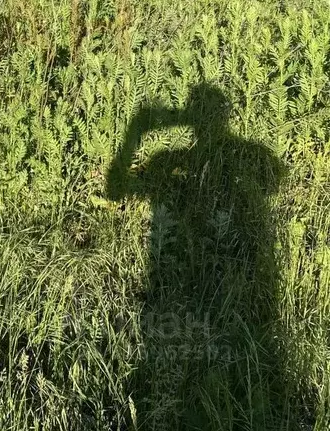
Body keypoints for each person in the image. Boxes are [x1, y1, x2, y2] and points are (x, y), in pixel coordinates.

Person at [106, 84, 303, 429]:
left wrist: (142, 127)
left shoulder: (191, 158)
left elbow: (117, 187)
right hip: (206, 277)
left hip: (203, 277)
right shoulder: (213, 155)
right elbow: (117, 189)